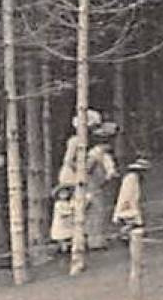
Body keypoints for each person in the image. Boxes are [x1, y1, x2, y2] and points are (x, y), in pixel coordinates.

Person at [58, 109, 119, 250]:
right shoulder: (75, 141)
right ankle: (78, 241)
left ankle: (95, 240)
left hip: (89, 178)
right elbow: (69, 161)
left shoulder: (92, 143)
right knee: (79, 208)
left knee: (95, 207)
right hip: (75, 178)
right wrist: (89, 162)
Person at [114, 157, 149, 239]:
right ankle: (124, 235)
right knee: (133, 222)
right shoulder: (131, 178)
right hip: (128, 204)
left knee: (133, 222)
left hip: (130, 203)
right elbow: (129, 194)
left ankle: (126, 234)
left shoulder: (134, 178)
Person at [48, 184, 77, 256]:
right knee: (61, 236)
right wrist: (70, 212)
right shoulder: (58, 204)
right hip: (61, 222)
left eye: (65, 193)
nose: (64, 195)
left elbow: (72, 207)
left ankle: (68, 248)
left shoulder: (68, 203)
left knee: (69, 235)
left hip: (68, 222)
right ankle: (62, 249)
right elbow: (62, 212)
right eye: (62, 193)